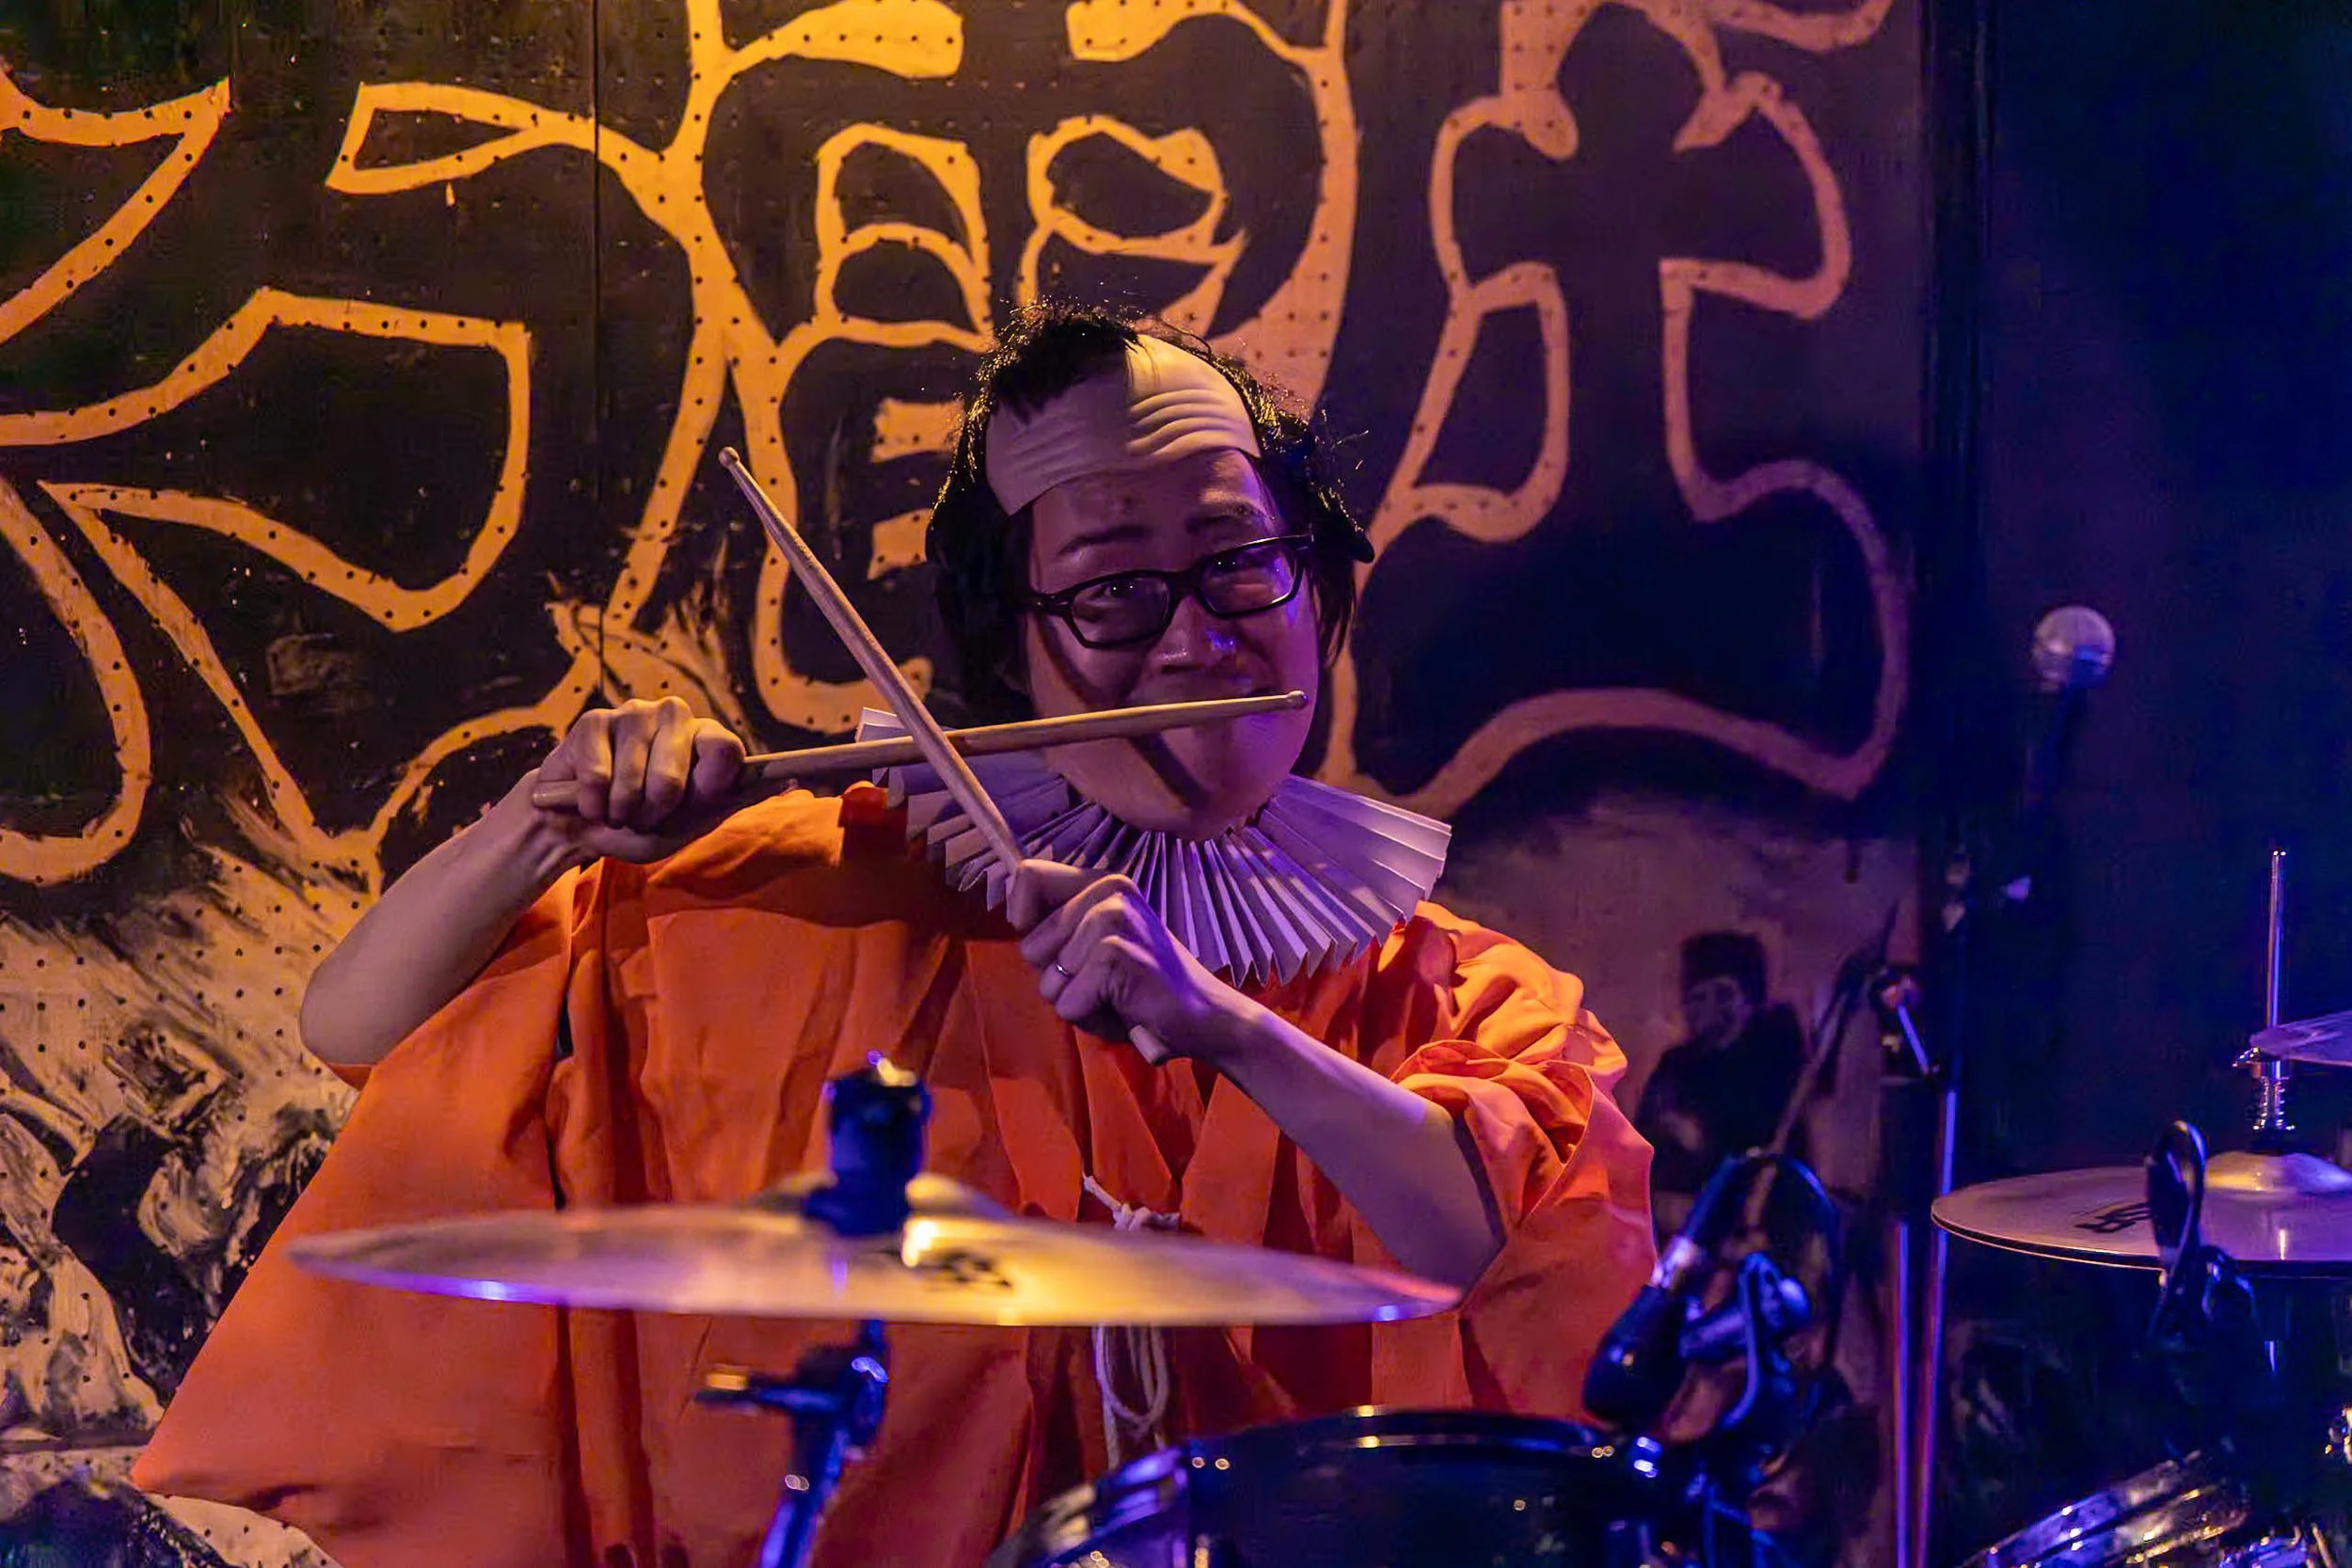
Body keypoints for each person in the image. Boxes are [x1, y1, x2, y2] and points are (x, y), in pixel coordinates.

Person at [133, 303, 1656, 1568]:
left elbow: (1490, 1243)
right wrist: (546, 816)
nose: (1196, 637)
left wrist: (1227, 1026)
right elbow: (352, 1024)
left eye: (1240, 563)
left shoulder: (1442, 982)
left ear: (1313, 576)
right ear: (1008, 637)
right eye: (1116, 589)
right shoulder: (810, 887)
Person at [1635, 930, 1809, 1233]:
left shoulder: (1773, 1068)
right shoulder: (1676, 1065)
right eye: (1698, 997)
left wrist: (1700, 1139)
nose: (1708, 1008)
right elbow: (1642, 1144)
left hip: (1748, 1234)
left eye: (1723, 994)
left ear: (1748, 1001)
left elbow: (1773, 1159)